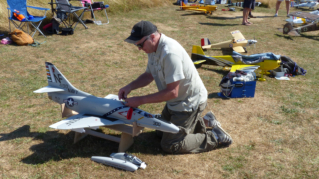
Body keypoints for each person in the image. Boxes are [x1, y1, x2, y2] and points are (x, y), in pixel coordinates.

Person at [119, 21, 232, 154]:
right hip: (175, 102)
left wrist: (140, 100)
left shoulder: (169, 53)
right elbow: (149, 75)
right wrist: (129, 86)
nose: (139, 48)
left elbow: (172, 92)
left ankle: (216, 137)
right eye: (136, 45)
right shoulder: (152, 48)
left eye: (140, 44)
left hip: (188, 103)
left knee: (171, 144)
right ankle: (206, 121)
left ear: (153, 37)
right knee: (160, 132)